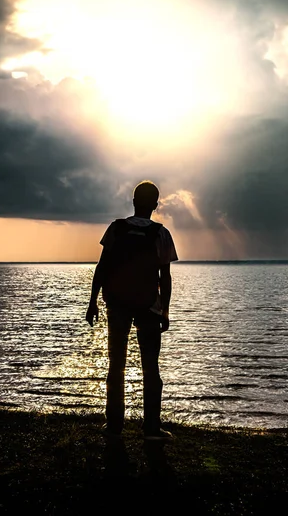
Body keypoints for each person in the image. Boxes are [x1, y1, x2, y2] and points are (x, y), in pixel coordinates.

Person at [85, 180, 178, 441]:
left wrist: (92, 301)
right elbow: (165, 277)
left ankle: (114, 427)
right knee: (151, 368)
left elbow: (102, 267)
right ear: (155, 205)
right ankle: (151, 429)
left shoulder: (116, 229)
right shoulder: (161, 233)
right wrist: (165, 311)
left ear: (134, 202)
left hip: (117, 305)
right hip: (149, 306)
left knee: (116, 366)